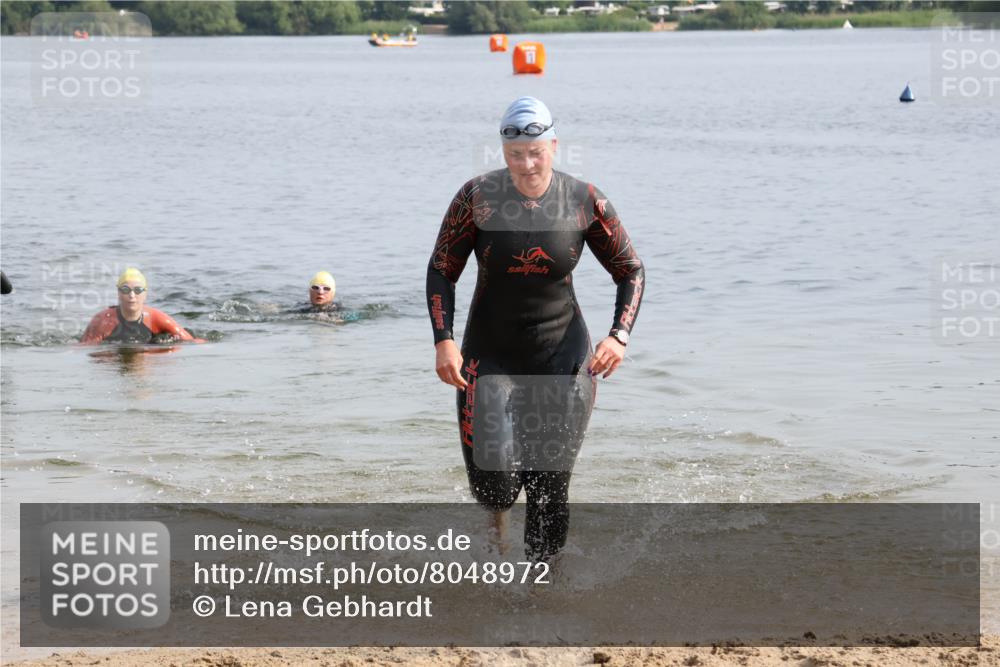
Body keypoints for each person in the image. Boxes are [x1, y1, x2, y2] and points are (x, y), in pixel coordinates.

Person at [426, 96, 645, 562]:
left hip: (562, 356)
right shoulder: (477, 198)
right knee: (496, 486)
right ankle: (496, 542)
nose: (526, 165)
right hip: (489, 355)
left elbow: (631, 270)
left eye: (536, 152)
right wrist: (443, 340)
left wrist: (619, 336)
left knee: (549, 486)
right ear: (502, 153)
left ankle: (543, 593)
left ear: (554, 146)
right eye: (515, 155)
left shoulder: (585, 200)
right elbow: (442, 269)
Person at [80, 268, 204, 344]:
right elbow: (84, 349)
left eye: (138, 290)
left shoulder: (156, 318)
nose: (132, 295)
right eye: (125, 289)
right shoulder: (103, 321)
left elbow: (190, 341)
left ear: (145, 294)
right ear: (118, 293)